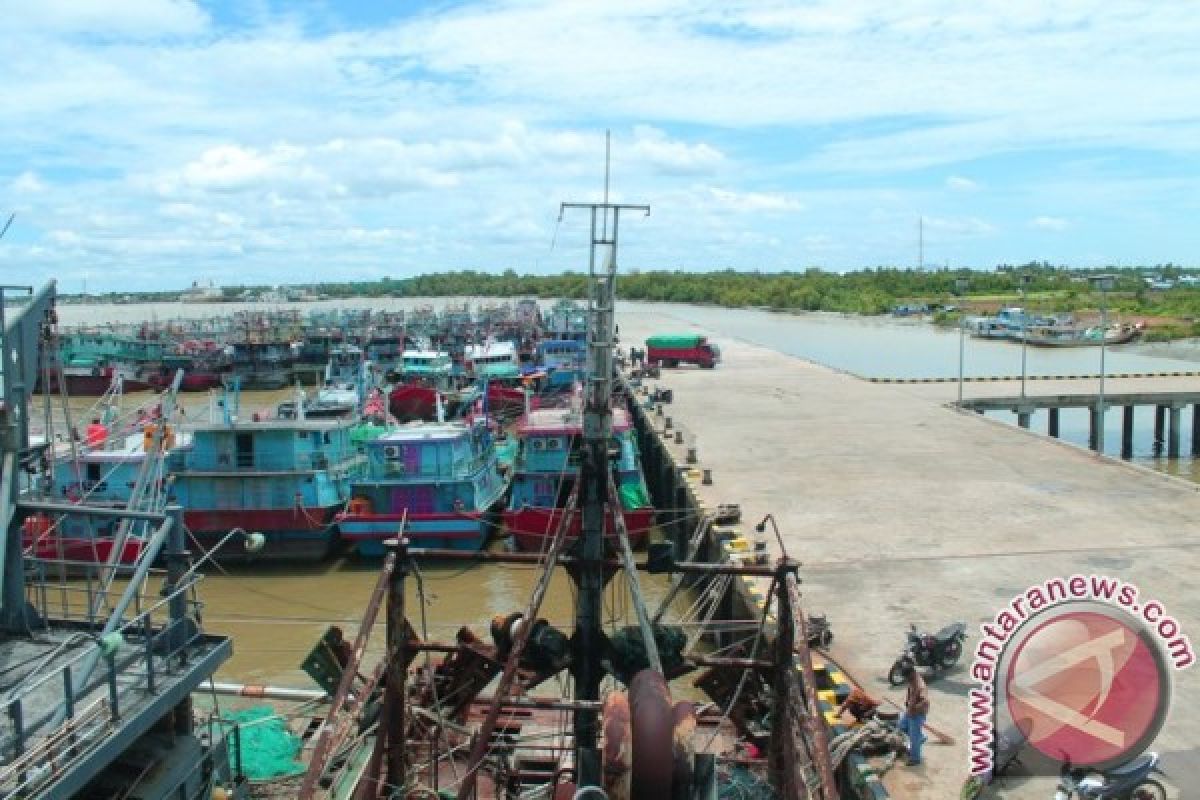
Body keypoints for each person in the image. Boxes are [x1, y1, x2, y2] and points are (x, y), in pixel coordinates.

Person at [899, 659, 930, 765]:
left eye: (907, 677)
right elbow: (910, 689)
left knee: (913, 738)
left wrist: (915, 708)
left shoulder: (921, 686)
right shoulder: (911, 679)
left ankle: (915, 759)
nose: (906, 679)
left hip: (917, 715)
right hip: (909, 711)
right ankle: (920, 737)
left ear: (911, 673)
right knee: (901, 726)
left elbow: (926, 702)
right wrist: (908, 701)